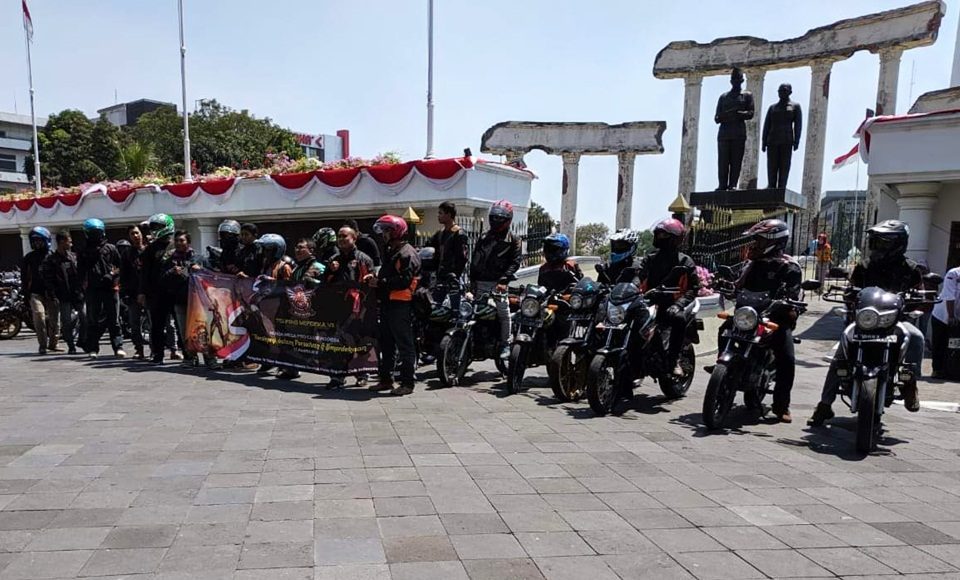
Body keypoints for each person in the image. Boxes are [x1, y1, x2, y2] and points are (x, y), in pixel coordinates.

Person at [809, 220, 926, 424]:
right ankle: (824, 405)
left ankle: (910, 384)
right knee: (841, 355)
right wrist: (848, 294)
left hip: (895, 322)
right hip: (865, 321)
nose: (877, 246)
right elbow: (851, 289)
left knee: (916, 337)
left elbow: (921, 294)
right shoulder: (864, 266)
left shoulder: (911, 268)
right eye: (875, 241)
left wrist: (919, 298)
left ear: (898, 244)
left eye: (883, 242)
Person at [714, 219, 801, 423]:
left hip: (775, 319)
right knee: (724, 329)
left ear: (775, 242)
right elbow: (738, 285)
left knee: (787, 358)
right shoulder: (750, 265)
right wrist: (725, 285)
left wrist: (788, 300)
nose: (755, 245)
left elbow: (794, 292)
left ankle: (781, 406)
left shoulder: (790, 267)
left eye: (760, 241)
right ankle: (723, 364)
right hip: (748, 315)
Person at [633, 219, 701, 378]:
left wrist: (679, 304)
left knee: (678, 318)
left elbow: (693, 289)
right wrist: (632, 286)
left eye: (664, 235)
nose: (659, 238)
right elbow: (639, 276)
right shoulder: (650, 259)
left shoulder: (685, 261)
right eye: (658, 234)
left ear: (676, 239)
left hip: (673, 303)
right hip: (650, 301)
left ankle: (673, 360)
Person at [369, 215, 421, 396]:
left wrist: (380, 282)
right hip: (388, 303)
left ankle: (407, 383)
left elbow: (404, 281)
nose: (383, 234)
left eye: (387, 231)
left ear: (396, 232)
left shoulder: (406, 253)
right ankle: (386, 380)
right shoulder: (392, 251)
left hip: (400, 305)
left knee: (404, 345)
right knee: (386, 344)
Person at [325, 225, 376, 390]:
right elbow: (325, 282)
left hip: (359, 307)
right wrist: (330, 271)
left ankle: (362, 374)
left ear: (354, 238)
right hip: (338, 306)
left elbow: (371, 282)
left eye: (344, 236)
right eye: (339, 236)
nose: (341, 239)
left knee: (359, 341)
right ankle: (337, 377)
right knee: (338, 341)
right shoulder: (333, 259)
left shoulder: (363, 259)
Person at [470, 200, 522, 359]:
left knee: (503, 312)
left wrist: (503, 281)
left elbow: (515, 262)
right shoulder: (484, 236)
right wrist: (472, 280)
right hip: (480, 282)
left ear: (508, 219)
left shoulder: (513, 239)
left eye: (500, 218)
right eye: (494, 217)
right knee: (472, 311)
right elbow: (475, 259)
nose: (496, 220)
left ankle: (506, 343)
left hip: (498, 284)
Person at [77, 218, 125, 359]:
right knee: (93, 320)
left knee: (114, 319)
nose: (95, 236)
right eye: (92, 233)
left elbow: (120, 267)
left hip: (110, 288)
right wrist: (81, 288)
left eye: (97, 233)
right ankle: (93, 348)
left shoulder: (111, 248)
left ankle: (118, 346)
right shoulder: (84, 251)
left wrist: (111, 275)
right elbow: (80, 272)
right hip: (93, 290)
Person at [139, 213, 180, 364]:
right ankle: (158, 355)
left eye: (158, 226)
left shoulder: (176, 246)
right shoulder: (150, 250)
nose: (155, 229)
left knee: (179, 324)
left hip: (176, 292)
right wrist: (142, 292)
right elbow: (144, 273)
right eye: (154, 227)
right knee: (157, 326)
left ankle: (186, 354)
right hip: (156, 293)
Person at [254, 233, 294, 377]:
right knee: (267, 335)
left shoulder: (284, 267)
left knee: (283, 337)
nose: (265, 252)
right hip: (268, 306)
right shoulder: (266, 265)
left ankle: (287, 366)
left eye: (268, 249)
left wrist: (272, 281)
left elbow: (290, 287)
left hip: (281, 307)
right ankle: (269, 361)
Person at [41, 230, 83, 354]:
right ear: (61, 242)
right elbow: (47, 279)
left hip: (77, 293)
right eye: (69, 241)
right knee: (66, 321)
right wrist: (53, 294)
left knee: (85, 317)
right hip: (63, 295)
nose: (71, 244)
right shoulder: (51, 260)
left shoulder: (74, 257)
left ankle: (82, 341)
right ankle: (71, 345)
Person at [21, 226, 59, 354]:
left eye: (39, 240)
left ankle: (53, 344)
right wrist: (26, 294)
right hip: (35, 293)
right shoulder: (28, 258)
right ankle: (42, 345)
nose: (37, 243)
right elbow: (24, 277)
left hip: (52, 292)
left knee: (54, 320)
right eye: (35, 241)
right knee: (39, 317)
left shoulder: (53, 256)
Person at [170, 231, 200, 367]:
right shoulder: (170, 260)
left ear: (188, 242)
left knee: (201, 330)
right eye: (176, 240)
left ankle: (209, 359)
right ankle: (189, 357)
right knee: (183, 332)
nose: (178, 243)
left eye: (181, 240)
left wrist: (198, 269)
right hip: (179, 300)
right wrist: (172, 272)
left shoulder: (198, 258)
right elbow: (162, 278)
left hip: (197, 302)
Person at [118, 225, 148, 359]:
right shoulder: (127, 254)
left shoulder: (148, 250)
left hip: (149, 292)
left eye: (137, 233)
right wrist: (125, 293)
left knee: (154, 323)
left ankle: (156, 349)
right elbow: (123, 275)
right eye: (132, 234)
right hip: (133, 293)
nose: (135, 236)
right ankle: (139, 349)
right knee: (134, 324)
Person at [426, 201, 469, 284]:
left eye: (440, 213)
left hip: (452, 279)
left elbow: (462, 259)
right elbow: (428, 246)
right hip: (439, 277)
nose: (438, 216)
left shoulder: (459, 234)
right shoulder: (440, 233)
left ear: (448, 215)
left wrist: (455, 276)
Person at [932, 264, 960, 379]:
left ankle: (952, 370)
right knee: (939, 343)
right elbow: (949, 296)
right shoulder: (954, 273)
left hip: (957, 316)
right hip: (942, 315)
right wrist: (951, 316)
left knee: (955, 344)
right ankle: (937, 370)